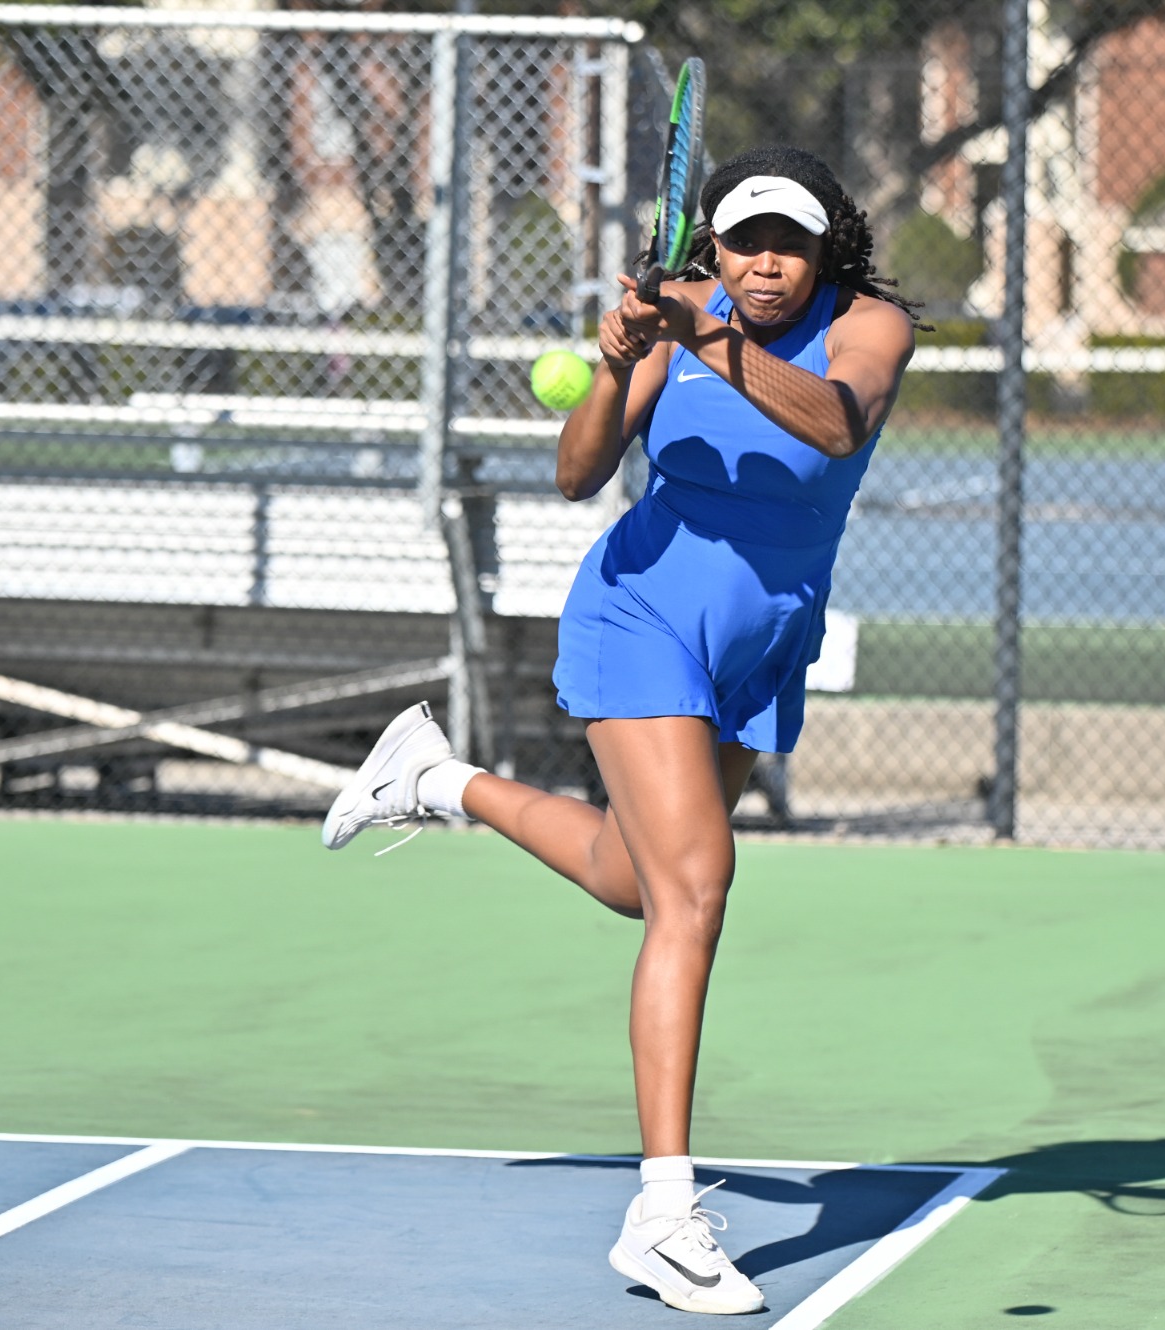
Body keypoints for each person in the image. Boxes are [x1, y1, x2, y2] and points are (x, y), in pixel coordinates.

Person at [323, 144, 920, 1315]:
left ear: (823, 244)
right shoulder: (677, 318)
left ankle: (440, 782)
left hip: (758, 640)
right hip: (643, 614)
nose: (764, 263)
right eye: (744, 240)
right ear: (714, 240)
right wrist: (614, 367)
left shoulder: (869, 327)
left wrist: (706, 340)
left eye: (788, 242)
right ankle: (660, 1212)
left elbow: (834, 425)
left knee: (635, 882)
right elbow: (575, 469)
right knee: (696, 887)